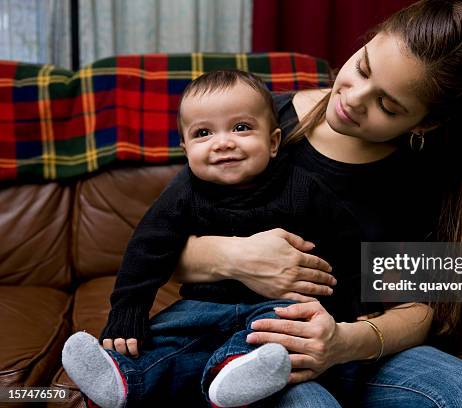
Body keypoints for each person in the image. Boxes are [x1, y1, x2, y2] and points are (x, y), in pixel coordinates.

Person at [172, 0, 462, 407]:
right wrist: (239, 256)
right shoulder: (260, 126)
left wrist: (345, 342)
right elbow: (157, 249)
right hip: (253, 345)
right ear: (367, 41)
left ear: (425, 123)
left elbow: (425, 305)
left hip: (354, 346)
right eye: (363, 68)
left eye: (388, 106)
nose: (354, 98)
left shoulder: (423, 171)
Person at [62, 70, 376, 408]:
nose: (223, 142)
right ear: (186, 150)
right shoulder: (184, 193)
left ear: (273, 142)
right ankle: (123, 379)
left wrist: (357, 305)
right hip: (203, 309)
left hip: (275, 309)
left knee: (285, 332)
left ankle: (233, 372)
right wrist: (127, 312)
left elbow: (346, 243)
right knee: (163, 336)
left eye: (241, 128)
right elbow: (147, 250)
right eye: (203, 133)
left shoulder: (303, 188)